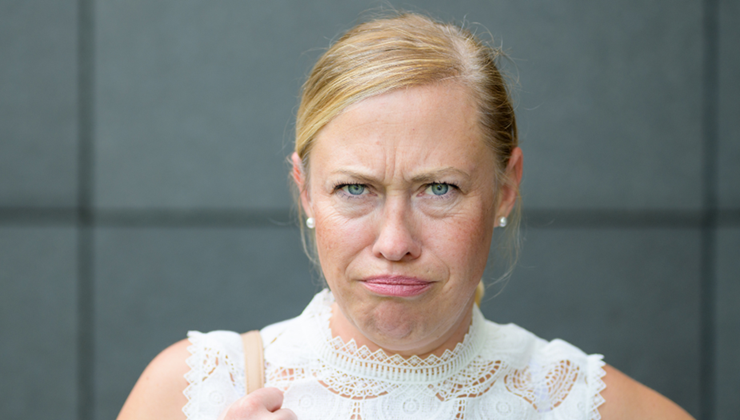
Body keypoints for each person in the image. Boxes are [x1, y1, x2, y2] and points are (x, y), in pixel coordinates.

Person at [117, 12, 695, 420]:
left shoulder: (581, 404)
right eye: (354, 189)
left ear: (506, 188)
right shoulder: (192, 392)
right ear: (305, 193)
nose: (395, 242)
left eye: (439, 188)